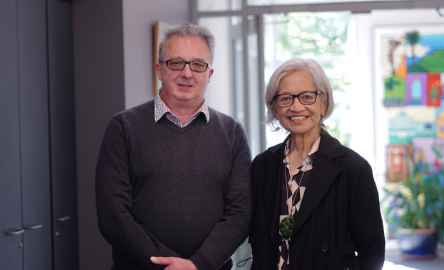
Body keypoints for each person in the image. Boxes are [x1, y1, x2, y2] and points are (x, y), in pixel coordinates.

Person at [95, 24, 251, 270]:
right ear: (159, 70)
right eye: (176, 63)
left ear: (209, 73)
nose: (187, 73)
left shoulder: (232, 133)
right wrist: (165, 266)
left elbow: (240, 213)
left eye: (198, 64)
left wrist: (198, 264)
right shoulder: (123, 128)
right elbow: (113, 216)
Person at [250, 58, 385, 270]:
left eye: (306, 97)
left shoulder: (352, 169)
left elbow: (373, 253)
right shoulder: (262, 166)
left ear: (323, 103)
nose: (296, 106)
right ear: (274, 107)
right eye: (285, 98)